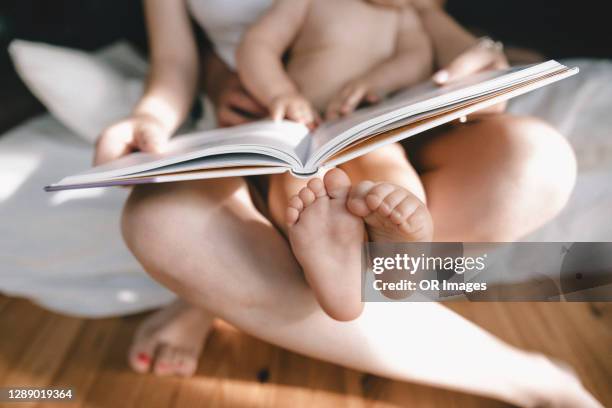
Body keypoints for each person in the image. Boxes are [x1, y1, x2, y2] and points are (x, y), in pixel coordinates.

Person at [94, 0, 601, 406]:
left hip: (375, 127)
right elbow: (200, 57)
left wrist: (465, 65)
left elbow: (426, 29)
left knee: (396, 178)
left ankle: (387, 262)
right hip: (288, 130)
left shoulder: (401, 14)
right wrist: (153, 118)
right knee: (296, 185)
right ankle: (341, 274)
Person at [237, 0, 435, 321]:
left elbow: (418, 60)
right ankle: (330, 255)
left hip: (366, 126)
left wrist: (378, 79)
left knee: (387, 166)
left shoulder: (402, 15)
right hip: (305, 127)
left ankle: (399, 250)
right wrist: (280, 93)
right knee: (299, 180)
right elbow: (256, 46)